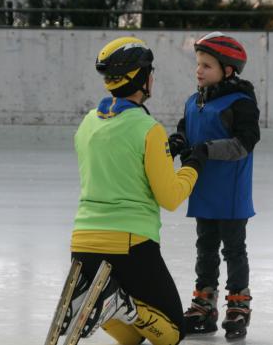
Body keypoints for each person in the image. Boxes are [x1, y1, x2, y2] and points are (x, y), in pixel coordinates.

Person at [63, 37, 208, 345]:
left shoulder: (87, 124)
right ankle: (117, 304)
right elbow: (169, 197)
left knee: (132, 338)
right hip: (129, 245)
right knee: (171, 333)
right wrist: (193, 164)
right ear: (141, 78)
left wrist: (165, 151)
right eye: (150, 71)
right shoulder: (147, 129)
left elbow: (119, 164)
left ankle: (99, 299)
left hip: (83, 243)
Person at [168, 32, 260, 339]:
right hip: (203, 190)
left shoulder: (240, 103)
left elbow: (244, 144)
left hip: (230, 193)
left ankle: (238, 304)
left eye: (207, 65)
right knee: (205, 249)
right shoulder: (193, 102)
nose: (199, 70)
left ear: (228, 70)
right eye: (198, 64)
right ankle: (204, 305)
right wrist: (179, 140)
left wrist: (206, 149)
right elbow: (187, 128)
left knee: (234, 249)